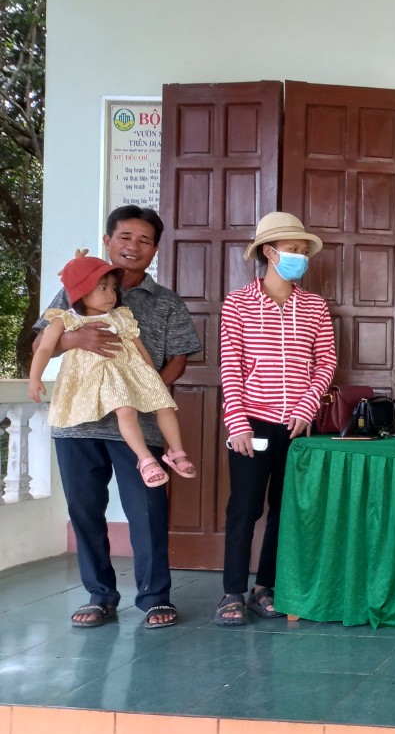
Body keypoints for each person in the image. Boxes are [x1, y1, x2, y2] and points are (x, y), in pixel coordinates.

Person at [31, 205, 201, 630]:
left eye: (144, 240)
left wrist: (146, 393)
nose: (133, 246)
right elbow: (42, 342)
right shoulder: (74, 288)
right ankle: (100, 596)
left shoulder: (166, 302)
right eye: (125, 237)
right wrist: (76, 338)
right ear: (108, 240)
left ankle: (155, 598)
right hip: (78, 421)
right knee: (85, 509)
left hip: (139, 425)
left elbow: (179, 357)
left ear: (155, 250)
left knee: (147, 509)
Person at [216, 212, 336, 626]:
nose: (301, 257)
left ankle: (265, 587)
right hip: (251, 423)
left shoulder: (315, 306)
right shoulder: (238, 303)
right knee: (244, 508)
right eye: (293, 249)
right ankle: (232, 592)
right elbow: (230, 366)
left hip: (297, 426)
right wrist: (237, 423)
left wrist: (307, 407)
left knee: (285, 509)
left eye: (304, 251)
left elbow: (326, 361)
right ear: (269, 252)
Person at [29, 255, 198, 488]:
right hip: (99, 378)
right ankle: (145, 459)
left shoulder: (121, 316)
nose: (111, 294)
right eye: (102, 288)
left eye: (113, 288)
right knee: (126, 409)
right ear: (81, 292)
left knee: (165, 405)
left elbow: (138, 345)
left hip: (131, 373)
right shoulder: (65, 319)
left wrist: (151, 375)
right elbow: (44, 348)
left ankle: (176, 452)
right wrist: (34, 377)